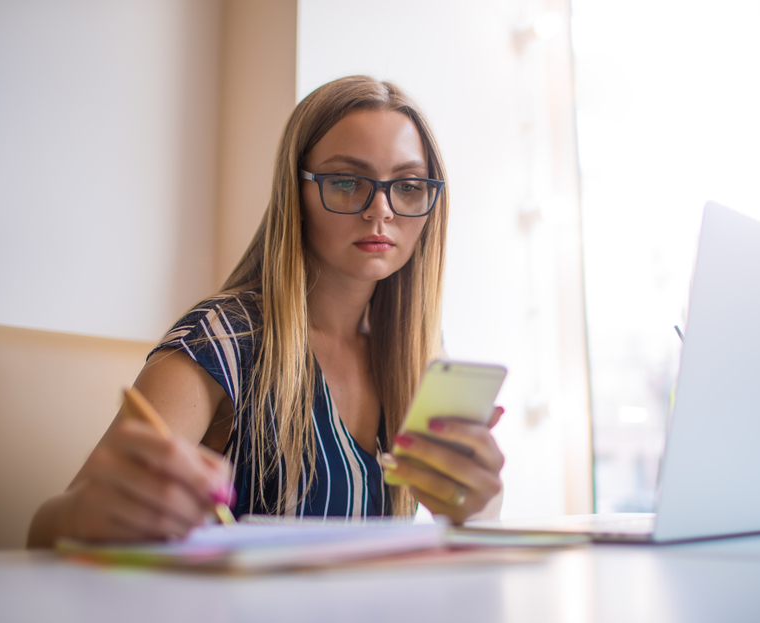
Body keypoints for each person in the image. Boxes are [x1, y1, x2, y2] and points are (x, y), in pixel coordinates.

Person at [27, 75, 504, 547]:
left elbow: (459, 540)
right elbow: (46, 537)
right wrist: (88, 512)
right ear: (295, 193)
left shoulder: (419, 350)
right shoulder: (219, 339)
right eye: (345, 182)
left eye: (408, 186)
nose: (380, 210)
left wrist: (478, 510)